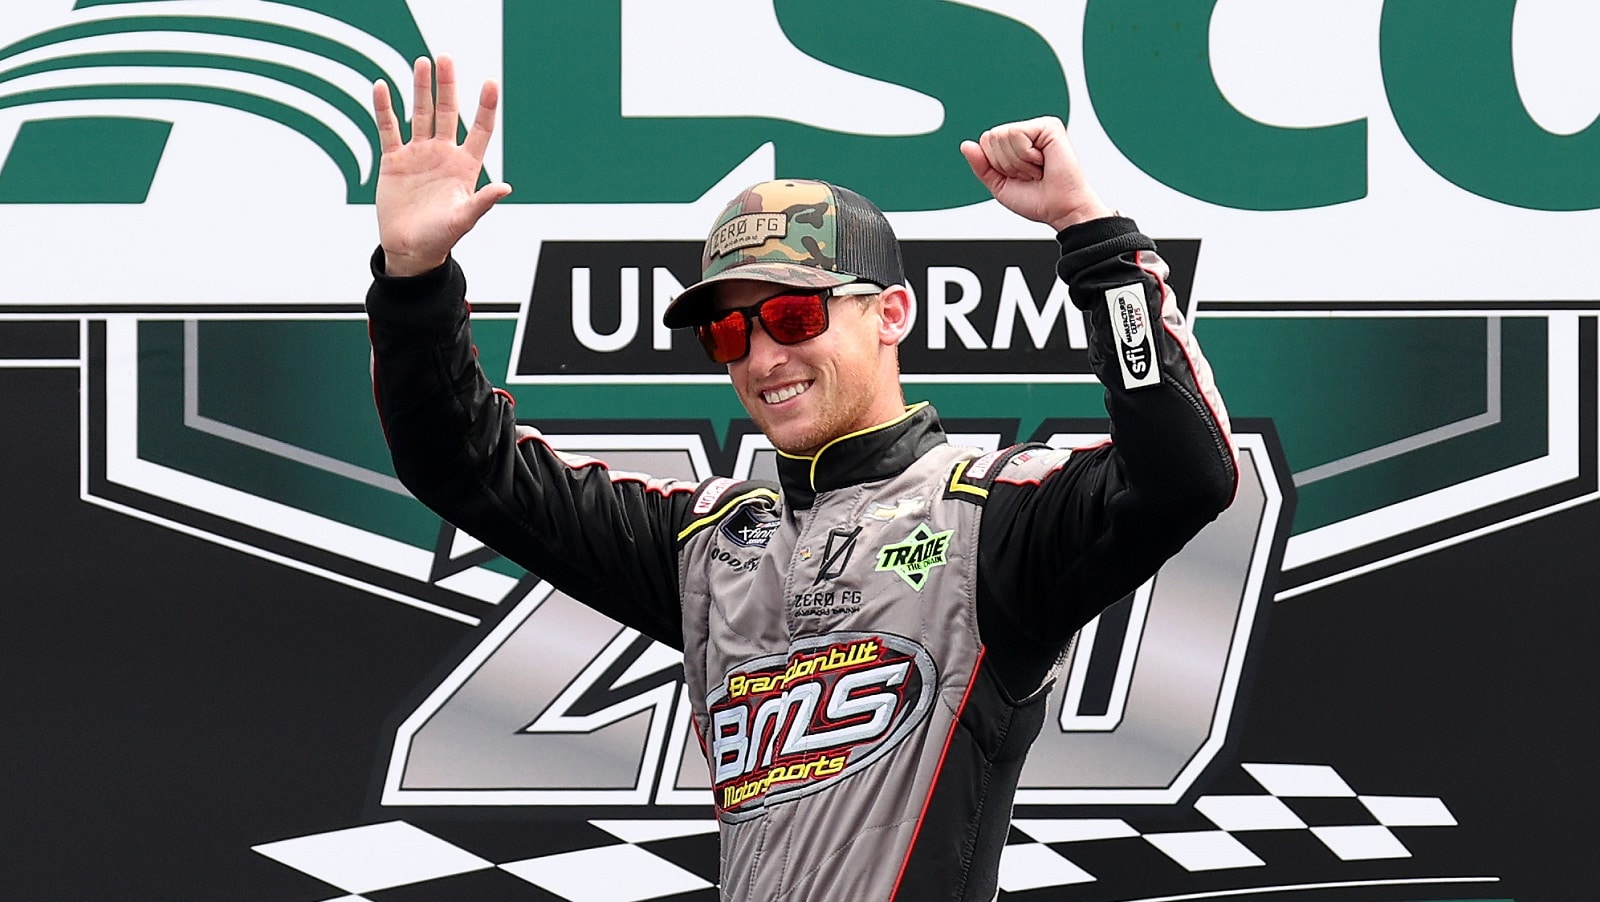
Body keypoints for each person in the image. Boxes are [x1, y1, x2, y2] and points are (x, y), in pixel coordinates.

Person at [365, 56, 1236, 902]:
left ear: (891, 312)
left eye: (791, 313)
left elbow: (1185, 474)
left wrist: (1094, 238)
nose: (762, 355)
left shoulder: (991, 521)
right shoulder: (709, 545)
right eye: (728, 332)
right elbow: (464, 467)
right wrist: (414, 281)